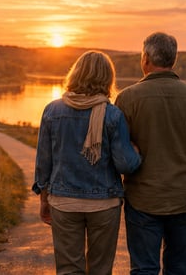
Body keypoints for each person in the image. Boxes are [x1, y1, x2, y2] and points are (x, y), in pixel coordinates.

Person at [115, 32, 186, 275]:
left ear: (145, 59)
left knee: (144, 269)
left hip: (142, 200)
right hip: (185, 199)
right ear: (174, 60)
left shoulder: (127, 98)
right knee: (178, 269)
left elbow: (116, 154)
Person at [32, 50, 142, 275]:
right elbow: (125, 165)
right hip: (104, 205)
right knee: (100, 271)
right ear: (107, 79)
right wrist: (135, 152)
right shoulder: (113, 115)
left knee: (69, 270)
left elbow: (44, 163)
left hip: (63, 203)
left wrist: (44, 199)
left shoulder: (52, 110)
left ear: (75, 74)